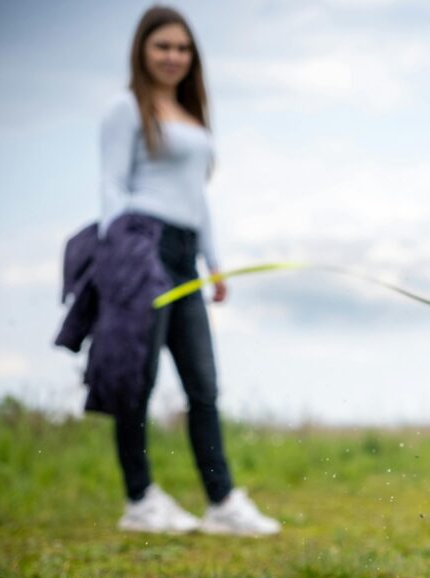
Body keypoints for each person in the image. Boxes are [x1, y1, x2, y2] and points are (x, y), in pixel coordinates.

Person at [98, 5, 280, 536]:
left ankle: (222, 501)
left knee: (203, 383)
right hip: (141, 246)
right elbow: (112, 186)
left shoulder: (191, 116)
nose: (174, 57)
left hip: (184, 257)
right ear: (143, 51)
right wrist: (119, 255)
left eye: (182, 48)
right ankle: (140, 498)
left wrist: (213, 260)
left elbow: (197, 197)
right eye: (163, 47)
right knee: (138, 379)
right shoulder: (126, 109)